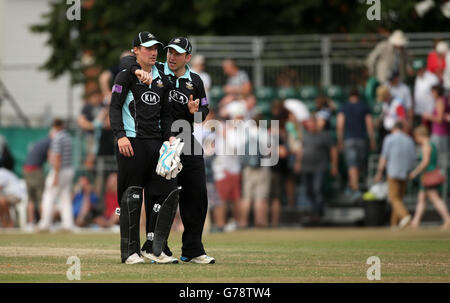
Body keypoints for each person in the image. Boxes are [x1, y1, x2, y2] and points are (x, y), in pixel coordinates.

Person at [121, 37, 215, 264]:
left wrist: (195, 112)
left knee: (197, 194)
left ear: (188, 58)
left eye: (178, 54)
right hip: (161, 139)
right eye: (170, 52)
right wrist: (136, 70)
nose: (172, 57)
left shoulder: (195, 80)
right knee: (162, 194)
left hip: (186, 138)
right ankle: (155, 246)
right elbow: (126, 61)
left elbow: (203, 114)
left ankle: (192, 249)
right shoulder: (156, 69)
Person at [109, 32, 178, 265]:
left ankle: (154, 247)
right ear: (136, 50)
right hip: (132, 142)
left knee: (164, 192)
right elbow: (114, 107)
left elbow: (167, 114)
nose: (153, 52)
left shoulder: (163, 77)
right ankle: (130, 252)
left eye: (155, 48)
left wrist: (169, 137)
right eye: (147, 48)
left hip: (157, 144)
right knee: (132, 195)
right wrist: (120, 136)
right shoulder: (125, 75)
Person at [374, 122, 416, 228]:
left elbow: (384, 157)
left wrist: (379, 172)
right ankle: (394, 224)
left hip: (393, 171)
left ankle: (405, 216)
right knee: (399, 199)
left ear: (394, 129)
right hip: (405, 172)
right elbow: (413, 158)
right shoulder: (409, 140)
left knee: (393, 198)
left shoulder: (389, 139)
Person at [337, 88, 376, 201]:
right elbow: (370, 124)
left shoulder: (344, 107)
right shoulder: (364, 107)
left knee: (352, 165)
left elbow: (340, 124)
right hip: (362, 139)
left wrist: (340, 140)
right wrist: (372, 139)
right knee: (357, 165)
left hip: (349, 139)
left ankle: (355, 189)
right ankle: (353, 186)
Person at [408, 126, 450, 229]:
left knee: (434, 199)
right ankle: (415, 222)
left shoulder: (426, 145)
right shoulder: (432, 144)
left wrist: (415, 172)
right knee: (421, 198)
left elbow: (425, 162)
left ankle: (448, 219)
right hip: (429, 175)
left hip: (428, 175)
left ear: (420, 135)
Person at [37, 119, 74, 232]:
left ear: (55, 126)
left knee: (49, 196)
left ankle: (44, 224)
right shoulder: (68, 137)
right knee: (65, 197)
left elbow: (57, 156)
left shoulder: (57, 138)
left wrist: (56, 175)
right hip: (68, 169)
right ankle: (67, 224)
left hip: (59, 170)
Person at [299, 115, 338, 221]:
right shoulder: (305, 136)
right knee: (308, 191)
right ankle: (315, 210)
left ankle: (318, 212)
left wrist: (334, 165)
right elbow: (300, 150)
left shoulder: (324, 135)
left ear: (316, 124)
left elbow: (333, 150)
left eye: (312, 123)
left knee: (317, 189)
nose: (310, 126)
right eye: (309, 124)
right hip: (306, 167)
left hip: (319, 167)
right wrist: (298, 163)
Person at [22, 134, 52, 230]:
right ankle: (44, 223)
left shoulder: (41, 141)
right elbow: (51, 157)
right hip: (35, 170)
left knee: (31, 198)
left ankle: (30, 223)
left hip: (26, 169)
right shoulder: (51, 142)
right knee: (41, 198)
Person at [422, 85, 450, 167]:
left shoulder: (440, 101)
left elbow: (439, 119)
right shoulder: (443, 100)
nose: (431, 94)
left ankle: (442, 176)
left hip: (440, 133)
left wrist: (428, 116)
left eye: (432, 92)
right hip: (443, 132)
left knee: (440, 156)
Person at [412, 58, 440, 128]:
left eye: (419, 69)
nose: (418, 71)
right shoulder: (417, 78)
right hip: (418, 112)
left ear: (424, 68)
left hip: (429, 113)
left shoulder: (432, 79)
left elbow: (438, 97)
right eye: (416, 70)